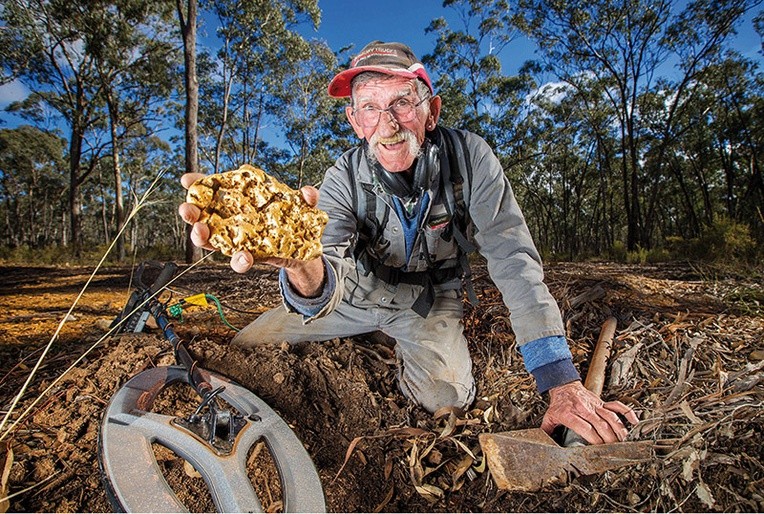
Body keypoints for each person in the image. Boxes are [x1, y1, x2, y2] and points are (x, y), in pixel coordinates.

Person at [179, 41, 637, 444]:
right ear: (354, 120)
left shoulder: (470, 158)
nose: (388, 123)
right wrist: (301, 263)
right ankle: (367, 329)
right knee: (245, 348)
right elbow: (328, 261)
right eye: (370, 108)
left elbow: (514, 260)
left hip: (430, 300)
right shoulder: (342, 177)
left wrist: (560, 380)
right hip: (355, 292)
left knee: (447, 397)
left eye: (402, 103)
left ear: (430, 112)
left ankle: (402, 341)